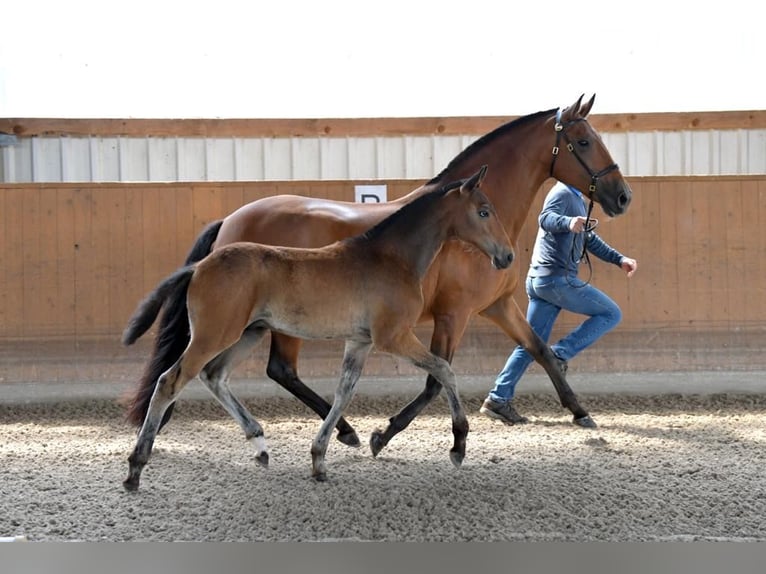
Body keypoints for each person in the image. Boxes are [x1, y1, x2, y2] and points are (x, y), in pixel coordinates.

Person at [480, 180, 638, 425]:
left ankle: (498, 398)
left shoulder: (577, 199)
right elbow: (545, 218)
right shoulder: (563, 192)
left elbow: (589, 239)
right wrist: (568, 222)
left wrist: (619, 259)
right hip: (556, 280)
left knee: (530, 344)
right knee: (611, 313)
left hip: (542, 280)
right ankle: (558, 355)